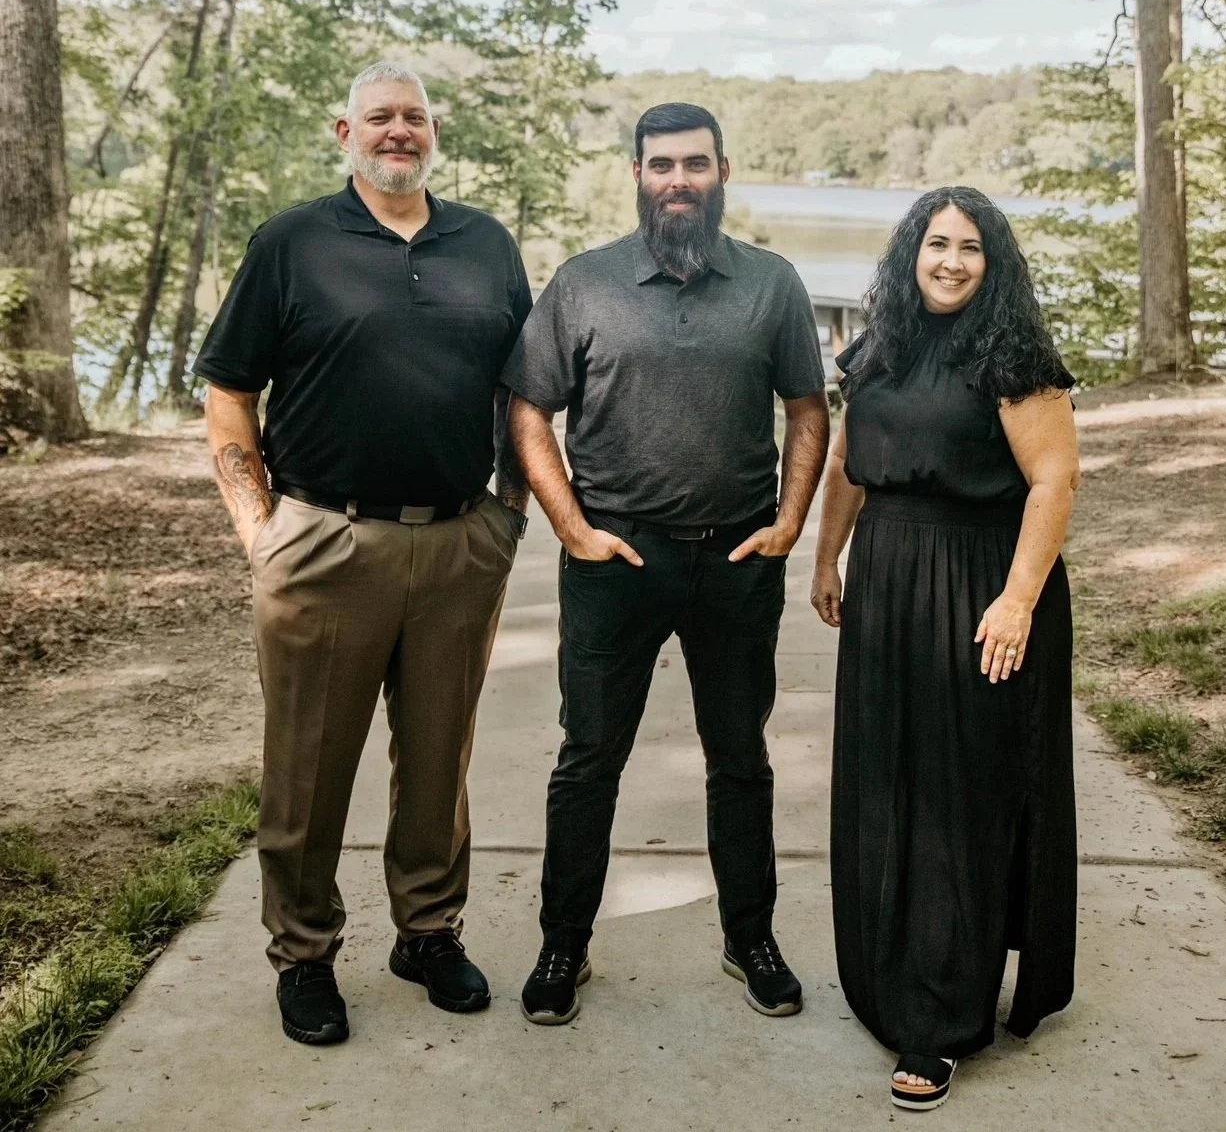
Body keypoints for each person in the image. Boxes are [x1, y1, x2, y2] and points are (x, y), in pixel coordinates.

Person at [194, 61, 531, 1047]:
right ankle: (303, 953)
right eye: (380, 117)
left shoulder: (486, 245)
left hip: (459, 539)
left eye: (414, 117)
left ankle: (427, 932)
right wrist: (259, 530)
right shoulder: (293, 243)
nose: (398, 132)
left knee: (439, 760)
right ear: (344, 129)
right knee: (308, 767)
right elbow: (227, 389)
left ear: (435, 133)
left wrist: (507, 512)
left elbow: (524, 391)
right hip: (322, 540)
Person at [503, 102, 830, 1026]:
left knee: (740, 758)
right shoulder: (584, 283)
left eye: (694, 163)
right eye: (660, 165)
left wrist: (790, 523)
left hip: (736, 557)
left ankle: (750, 939)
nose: (678, 180)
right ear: (637, 176)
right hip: (617, 559)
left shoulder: (771, 284)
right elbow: (529, 408)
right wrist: (571, 528)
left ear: (724, 170)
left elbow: (808, 409)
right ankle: (563, 944)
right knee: (587, 760)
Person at [810, 186, 1079, 1113]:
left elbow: (1054, 480)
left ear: (993, 264)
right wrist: (827, 559)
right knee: (890, 780)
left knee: (964, 794)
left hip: (978, 588)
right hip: (887, 582)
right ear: (909, 254)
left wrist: (1017, 600)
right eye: (937, 244)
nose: (952, 261)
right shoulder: (880, 342)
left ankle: (940, 1018)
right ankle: (890, 972)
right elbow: (851, 458)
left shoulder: (1014, 356)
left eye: (971, 248)